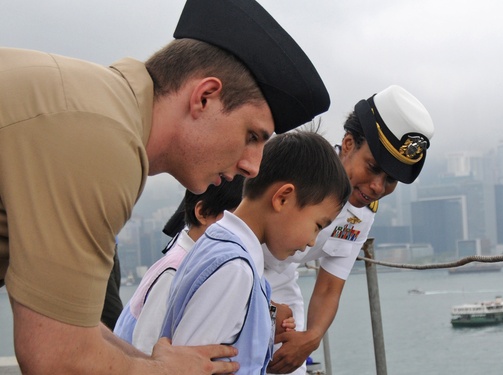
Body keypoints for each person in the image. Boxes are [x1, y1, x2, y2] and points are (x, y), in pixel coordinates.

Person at [0, 0, 330, 373]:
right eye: (252, 135)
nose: (252, 167)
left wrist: (154, 363)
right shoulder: (104, 142)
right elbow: (55, 358)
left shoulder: (105, 110)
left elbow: (73, 327)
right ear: (204, 97)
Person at [264, 85, 435, 374]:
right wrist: (261, 309)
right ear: (348, 143)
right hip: (231, 269)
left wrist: (312, 338)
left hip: (280, 285)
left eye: (390, 180)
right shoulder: (297, 166)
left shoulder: (362, 211)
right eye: (372, 167)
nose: (378, 187)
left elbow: (330, 286)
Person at [160, 131, 352, 375]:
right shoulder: (234, 268)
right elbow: (191, 364)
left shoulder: (218, 243)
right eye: (317, 225)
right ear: (283, 198)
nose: (312, 242)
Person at [114, 176, 245, 354]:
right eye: (235, 218)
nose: (244, 229)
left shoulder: (196, 261)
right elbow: (145, 346)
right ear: (203, 213)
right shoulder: (175, 271)